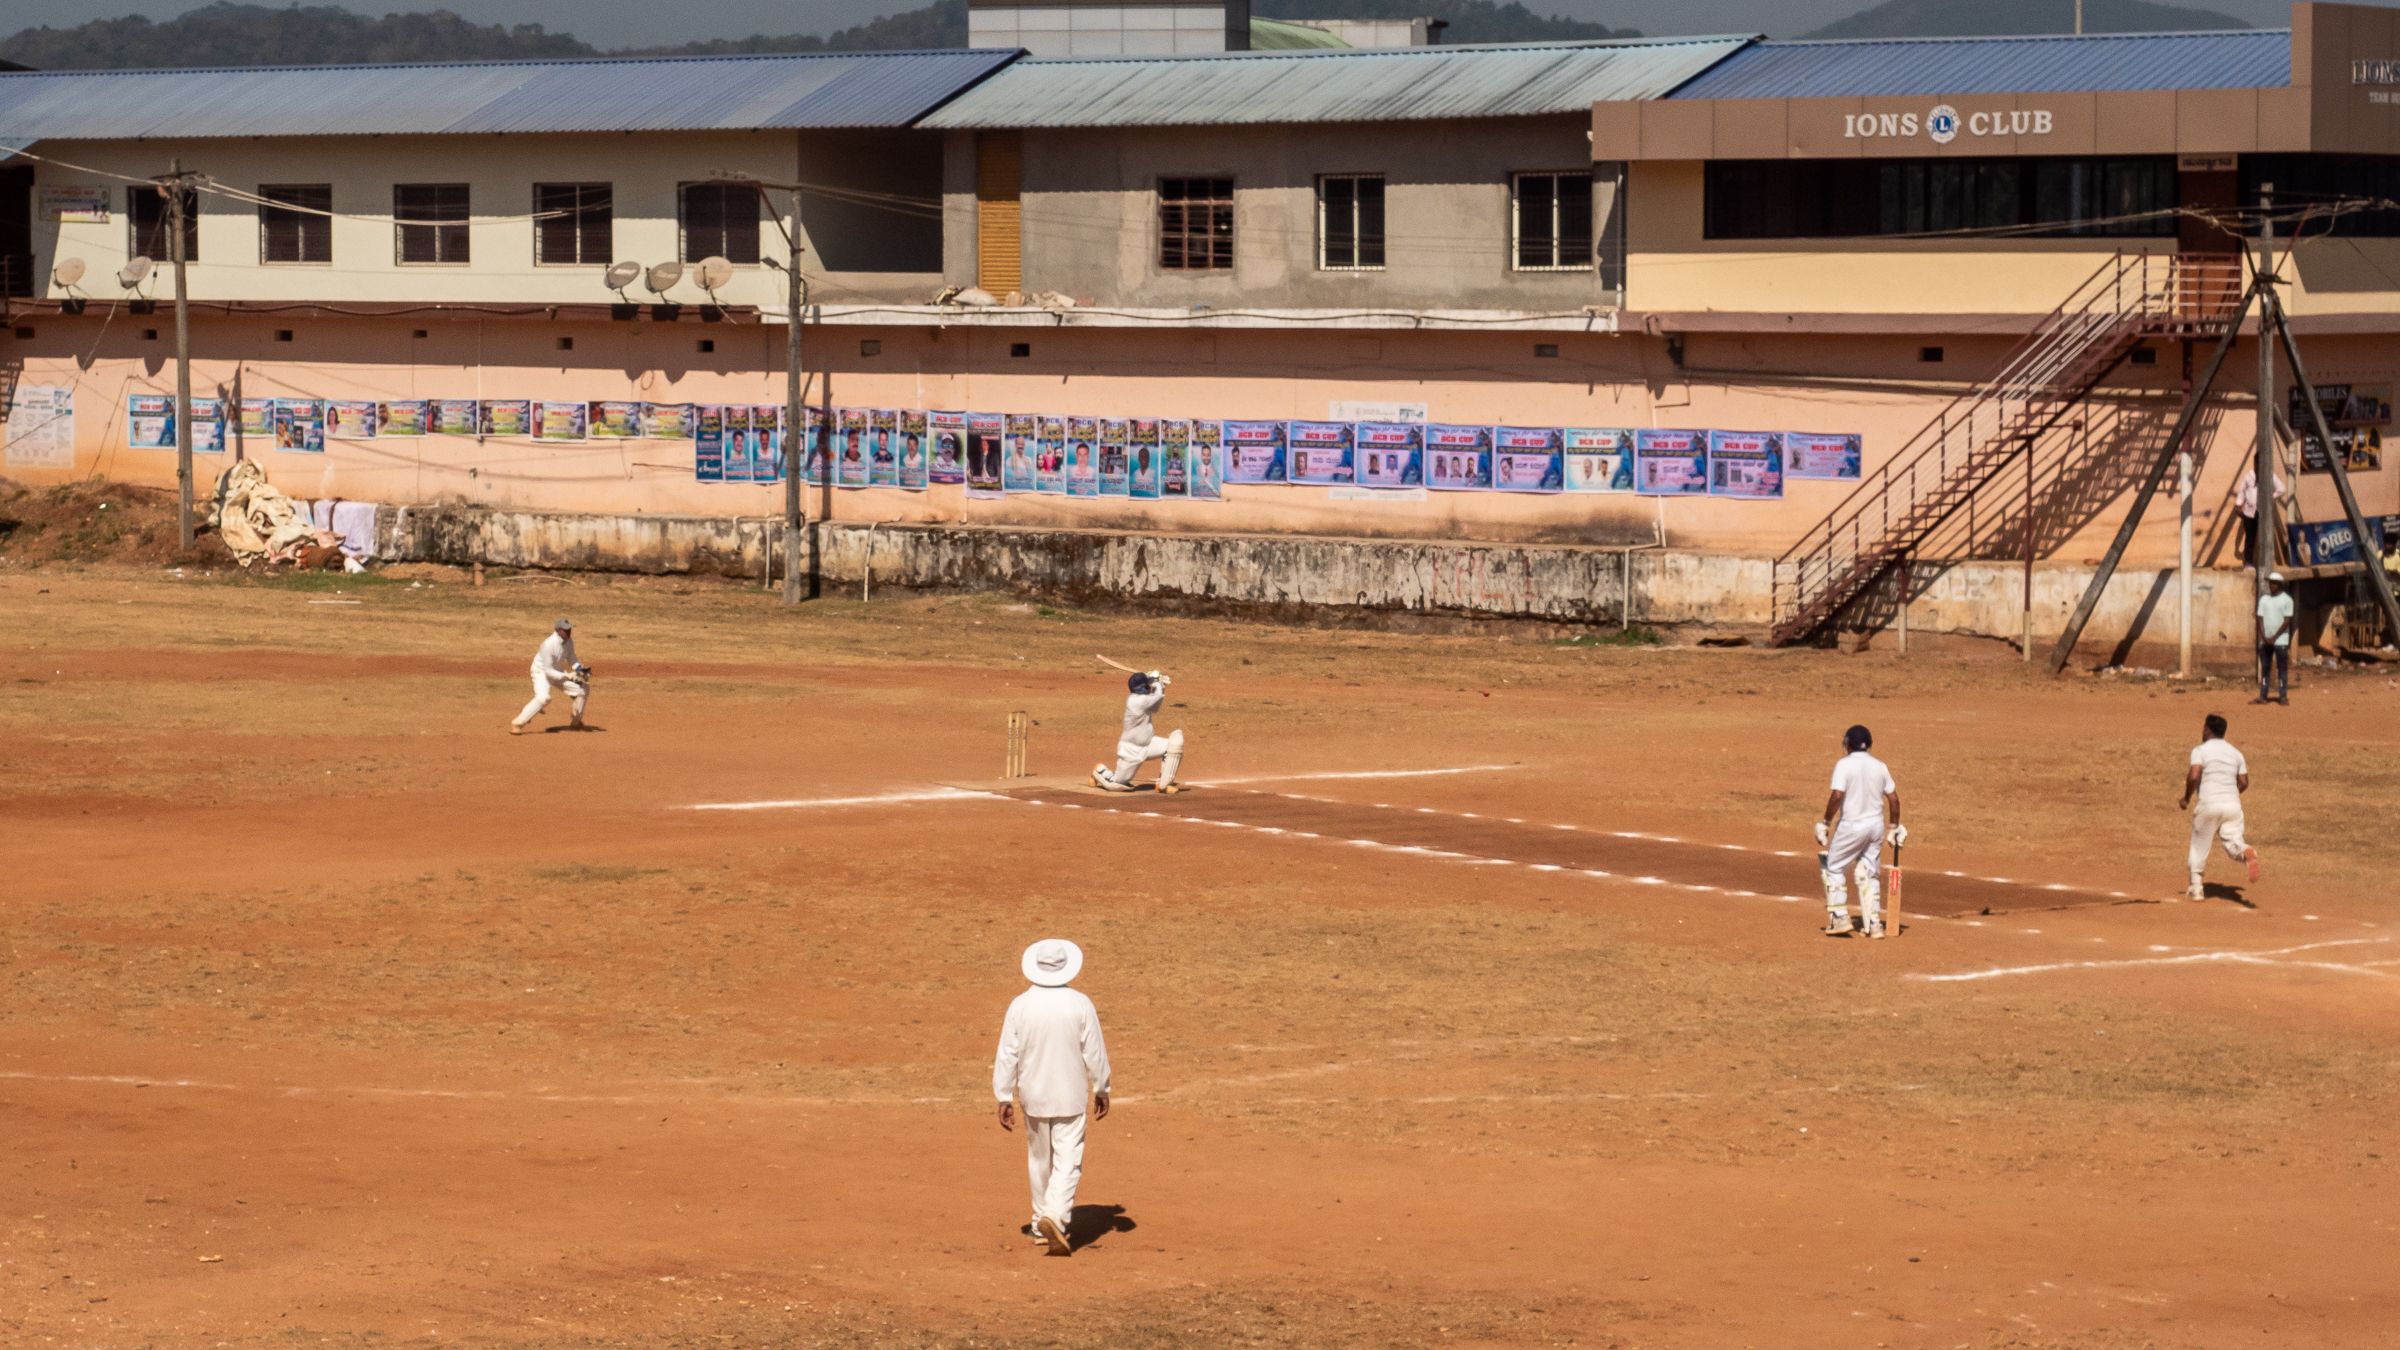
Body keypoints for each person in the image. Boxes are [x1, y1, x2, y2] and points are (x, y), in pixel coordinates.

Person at [992, 938, 1111, 1257]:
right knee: (1068, 1160)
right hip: (1070, 1094)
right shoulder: (1080, 1004)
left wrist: (1003, 1095)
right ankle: (1054, 1217)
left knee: (1038, 1159)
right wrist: (1102, 1088)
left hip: (1033, 1094)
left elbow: (1007, 1053)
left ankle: (1038, 1223)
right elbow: (1094, 1051)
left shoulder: (1020, 1005)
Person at [1815, 724, 1904, 939]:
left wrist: (1825, 822)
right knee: (1869, 873)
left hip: (1851, 825)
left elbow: (1837, 796)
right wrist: (1893, 827)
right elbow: (1893, 799)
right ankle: (1874, 924)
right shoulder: (1880, 766)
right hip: (1875, 826)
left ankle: (1840, 917)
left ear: (1848, 744)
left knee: (1833, 868)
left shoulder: (1844, 765)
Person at [2178, 713, 2261, 900]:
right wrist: (2230, 794)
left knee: (2199, 847)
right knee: (2233, 841)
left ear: (2207, 730)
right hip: (2233, 805)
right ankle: (2246, 851)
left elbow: (2194, 775)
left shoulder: (2200, 750)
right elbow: (2244, 781)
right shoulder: (2236, 753)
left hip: (2208, 804)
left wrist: (2186, 798)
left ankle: (2196, 889)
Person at [1091, 670, 1185, 795]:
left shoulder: (1144, 701)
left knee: (1173, 746)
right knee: (1118, 784)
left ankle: (1163, 785)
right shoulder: (1136, 701)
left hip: (1148, 744)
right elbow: (1155, 696)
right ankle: (1099, 771)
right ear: (1142, 687)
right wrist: (1158, 683)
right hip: (1131, 750)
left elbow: (1155, 706)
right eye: (1146, 686)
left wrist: (1158, 684)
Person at [510, 617, 588, 735]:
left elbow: (572, 658)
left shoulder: (569, 641)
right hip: (541, 672)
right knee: (544, 698)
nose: (568, 631)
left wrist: (580, 669)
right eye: (565, 629)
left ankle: (576, 722)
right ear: (557, 630)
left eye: (569, 629)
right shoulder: (548, 645)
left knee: (583, 689)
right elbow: (548, 672)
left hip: (557, 670)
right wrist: (568, 676)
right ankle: (517, 723)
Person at [2234, 465, 2290, 568]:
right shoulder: (2249, 476)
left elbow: (2281, 488)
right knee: (2250, 538)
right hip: (2249, 512)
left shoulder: (2269, 475)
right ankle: (2248, 563)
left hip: (2264, 513)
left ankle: (2266, 563)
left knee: (2265, 538)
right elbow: (2242, 492)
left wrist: (2270, 497)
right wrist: (2238, 504)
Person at [2255, 571, 2295, 705]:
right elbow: (2259, 619)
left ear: (2279, 585)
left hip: (2281, 641)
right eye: (2270, 583)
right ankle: (2263, 696)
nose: (2270, 585)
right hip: (2265, 640)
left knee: (2282, 670)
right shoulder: (2264, 599)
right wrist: (2264, 636)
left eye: (2273, 583)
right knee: (2265, 669)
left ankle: (2282, 696)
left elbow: (2287, 621)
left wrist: (2274, 637)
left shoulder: (2287, 600)